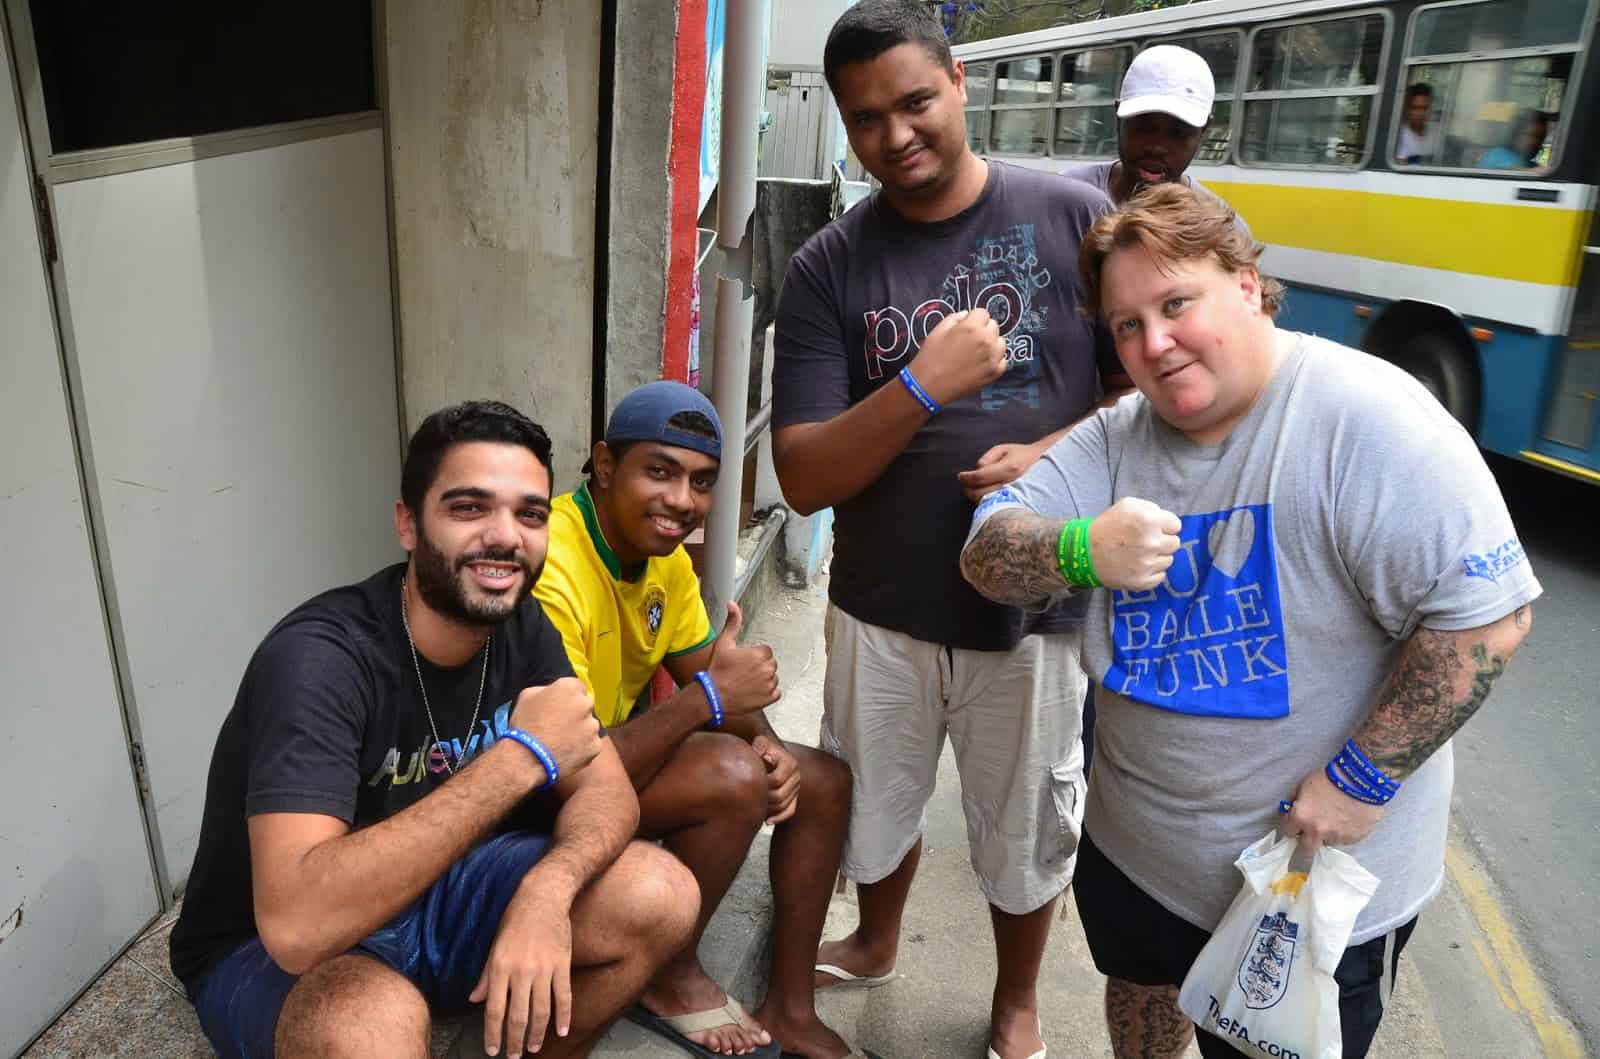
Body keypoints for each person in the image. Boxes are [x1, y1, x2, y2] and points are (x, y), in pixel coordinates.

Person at [959, 184, 1539, 1059]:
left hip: (1306, 896)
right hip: (1134, 856)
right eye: (1125, 325)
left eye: (1175, 303)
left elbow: (1488, 622)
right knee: (1140, 999)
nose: (1153, 344)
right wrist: (1080, 550)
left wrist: (1358, 780)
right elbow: (985, 553)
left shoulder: (1368, 422)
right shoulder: (1119, 438)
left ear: (1244, 281)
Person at [771, 4, 1131, 1058]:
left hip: (1038, 611)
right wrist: (920, 385)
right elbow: (800, 477)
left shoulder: (1071, 220)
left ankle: (1016, 1002)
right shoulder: (827, 269)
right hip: (880, 606)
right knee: (872, 808)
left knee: (1024, 828)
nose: (895, 135)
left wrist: (1053, 454)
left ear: (959, 83)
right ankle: (878, 938)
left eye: (915, 101)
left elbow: (1147, 398)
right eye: (866, 118)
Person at [168, 400, 699, 1059]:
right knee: (368, 1025)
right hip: (276, 943)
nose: (505, 536)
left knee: (663, 892)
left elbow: (610, 794)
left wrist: (548, 890)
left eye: (530, 513)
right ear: (408, 524)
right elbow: (296, 924)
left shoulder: (522, 627)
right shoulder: (321, 659)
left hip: (445, 890)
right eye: (470, 507)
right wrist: (520, 757)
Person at [533, 382, 861, 1059]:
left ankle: (791, 1007)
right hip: (541, 800)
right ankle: (669, 973)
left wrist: (775, 753)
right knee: (729, 770)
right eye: (660, 470)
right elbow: (570, 768)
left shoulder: (663, 558)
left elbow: (708, 674)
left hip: (612, 771)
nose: (682, 499)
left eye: (702, 480)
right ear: (603, 465)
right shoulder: (553, 565)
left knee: (820, 778)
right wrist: (712, 698)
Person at [1061, 44, 1235, 215]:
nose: (1156, 148)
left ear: (1203, 131)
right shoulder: (1063, 196)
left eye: (1178, 134)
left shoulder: (1220, 231)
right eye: (1143, 128)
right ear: (1118, 118)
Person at [1481, 109, 1549, 169]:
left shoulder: (1530, 164)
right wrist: (1533, 172)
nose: (1535, 142)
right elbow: (1505, 169)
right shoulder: (1498, 154)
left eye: (1540, 137)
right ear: (1516, 134)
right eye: (1530, 135)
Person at [1396, 83, 1436, 164]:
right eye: (1415, 108)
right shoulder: (1398, 136)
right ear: (1407, 109)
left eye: (1425, 108)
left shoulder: (1436, 134)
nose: (1420, 113)